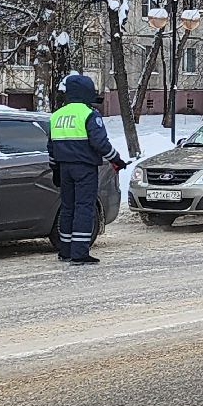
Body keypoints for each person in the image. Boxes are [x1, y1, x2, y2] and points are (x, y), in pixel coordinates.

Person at [48, 73, 127, 265]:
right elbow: (100, 144)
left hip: (64, 168)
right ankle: (80, 253)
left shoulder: (57, 115)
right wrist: (117, 159)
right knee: (84, 208)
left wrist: (55, 169)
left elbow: (51, 147)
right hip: (84, 168)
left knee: (68, 208)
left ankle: (65, 251)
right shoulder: (89, 114)